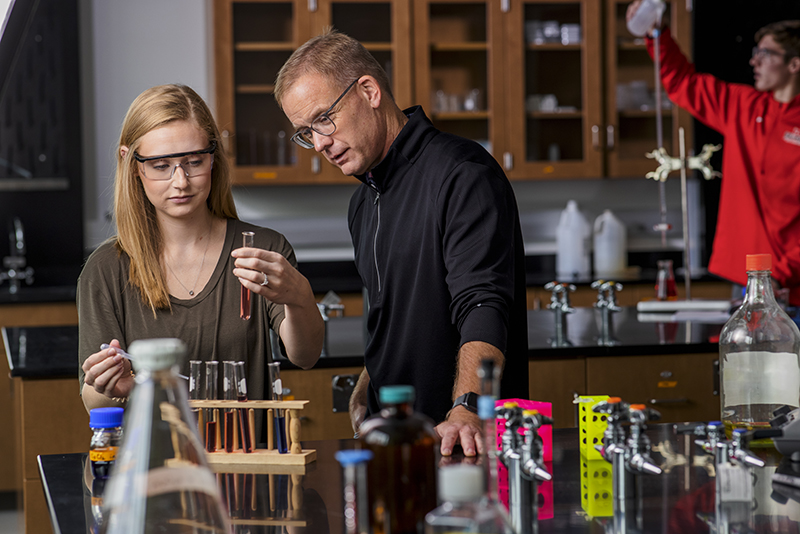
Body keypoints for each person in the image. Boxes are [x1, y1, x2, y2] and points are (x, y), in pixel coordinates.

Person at [274, 30, 529, 456]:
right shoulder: (363, 201)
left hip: (458, 440)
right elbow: (396, 316)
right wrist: (364, 388)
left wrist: (467, 408)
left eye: (323, 119)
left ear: (369, 91)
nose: (318, 143)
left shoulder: (461, 174)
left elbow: (483, 305)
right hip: (393, 439)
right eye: (305, 132)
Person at [79, 84, 324, 413]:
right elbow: (93, 399)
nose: (181, 181)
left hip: (247, 457)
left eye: (194, 161)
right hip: (155, 460)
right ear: (132, 163)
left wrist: (300, 298)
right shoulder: (106, 268)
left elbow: (305, 356)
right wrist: (114, 387)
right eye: (161, 166)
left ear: (214, 158)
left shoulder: (261, 249)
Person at [629, 3, 800, 304]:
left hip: (793, 285)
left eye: (765, 54)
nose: (753, 61)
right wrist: (658, 32)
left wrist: (784, 272)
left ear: (794, 64)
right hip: (751, 280)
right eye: (755, 52)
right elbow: (683, 83)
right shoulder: (744, 107)